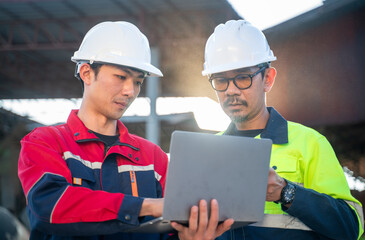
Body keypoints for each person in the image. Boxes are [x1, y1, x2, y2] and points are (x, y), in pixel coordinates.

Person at [17, 21, 232, 240]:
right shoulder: (45, 143)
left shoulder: (153, 158)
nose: (130, 91)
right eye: (121, 77)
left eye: (138, 82)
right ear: (87, 73)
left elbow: (169, 232)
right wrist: (147, 206)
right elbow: (50, 205)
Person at [201, 20, 364, 240]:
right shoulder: (206, 153)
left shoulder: (310, 143)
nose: (231, 90)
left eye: (242, 77)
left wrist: (284, 191)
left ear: (267, 79)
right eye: (220, 80)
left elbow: (350, 228)